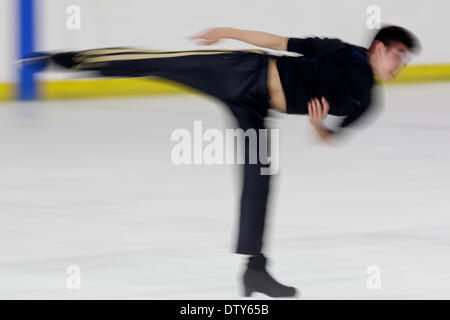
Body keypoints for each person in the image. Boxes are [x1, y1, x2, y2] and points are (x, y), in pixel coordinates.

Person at [28, 24, 421, 298]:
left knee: (261, 176)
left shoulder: (368, 101)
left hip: (256, 107)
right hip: (244, 70)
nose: (400, 67)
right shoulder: (341, 50)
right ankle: (68, 59)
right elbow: (281, 40)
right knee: (160, 62)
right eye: (398, 57)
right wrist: (229, 31)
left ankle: (255, 269)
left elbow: (331, 137)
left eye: (405, 62)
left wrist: (317, 127)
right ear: (379, 48)